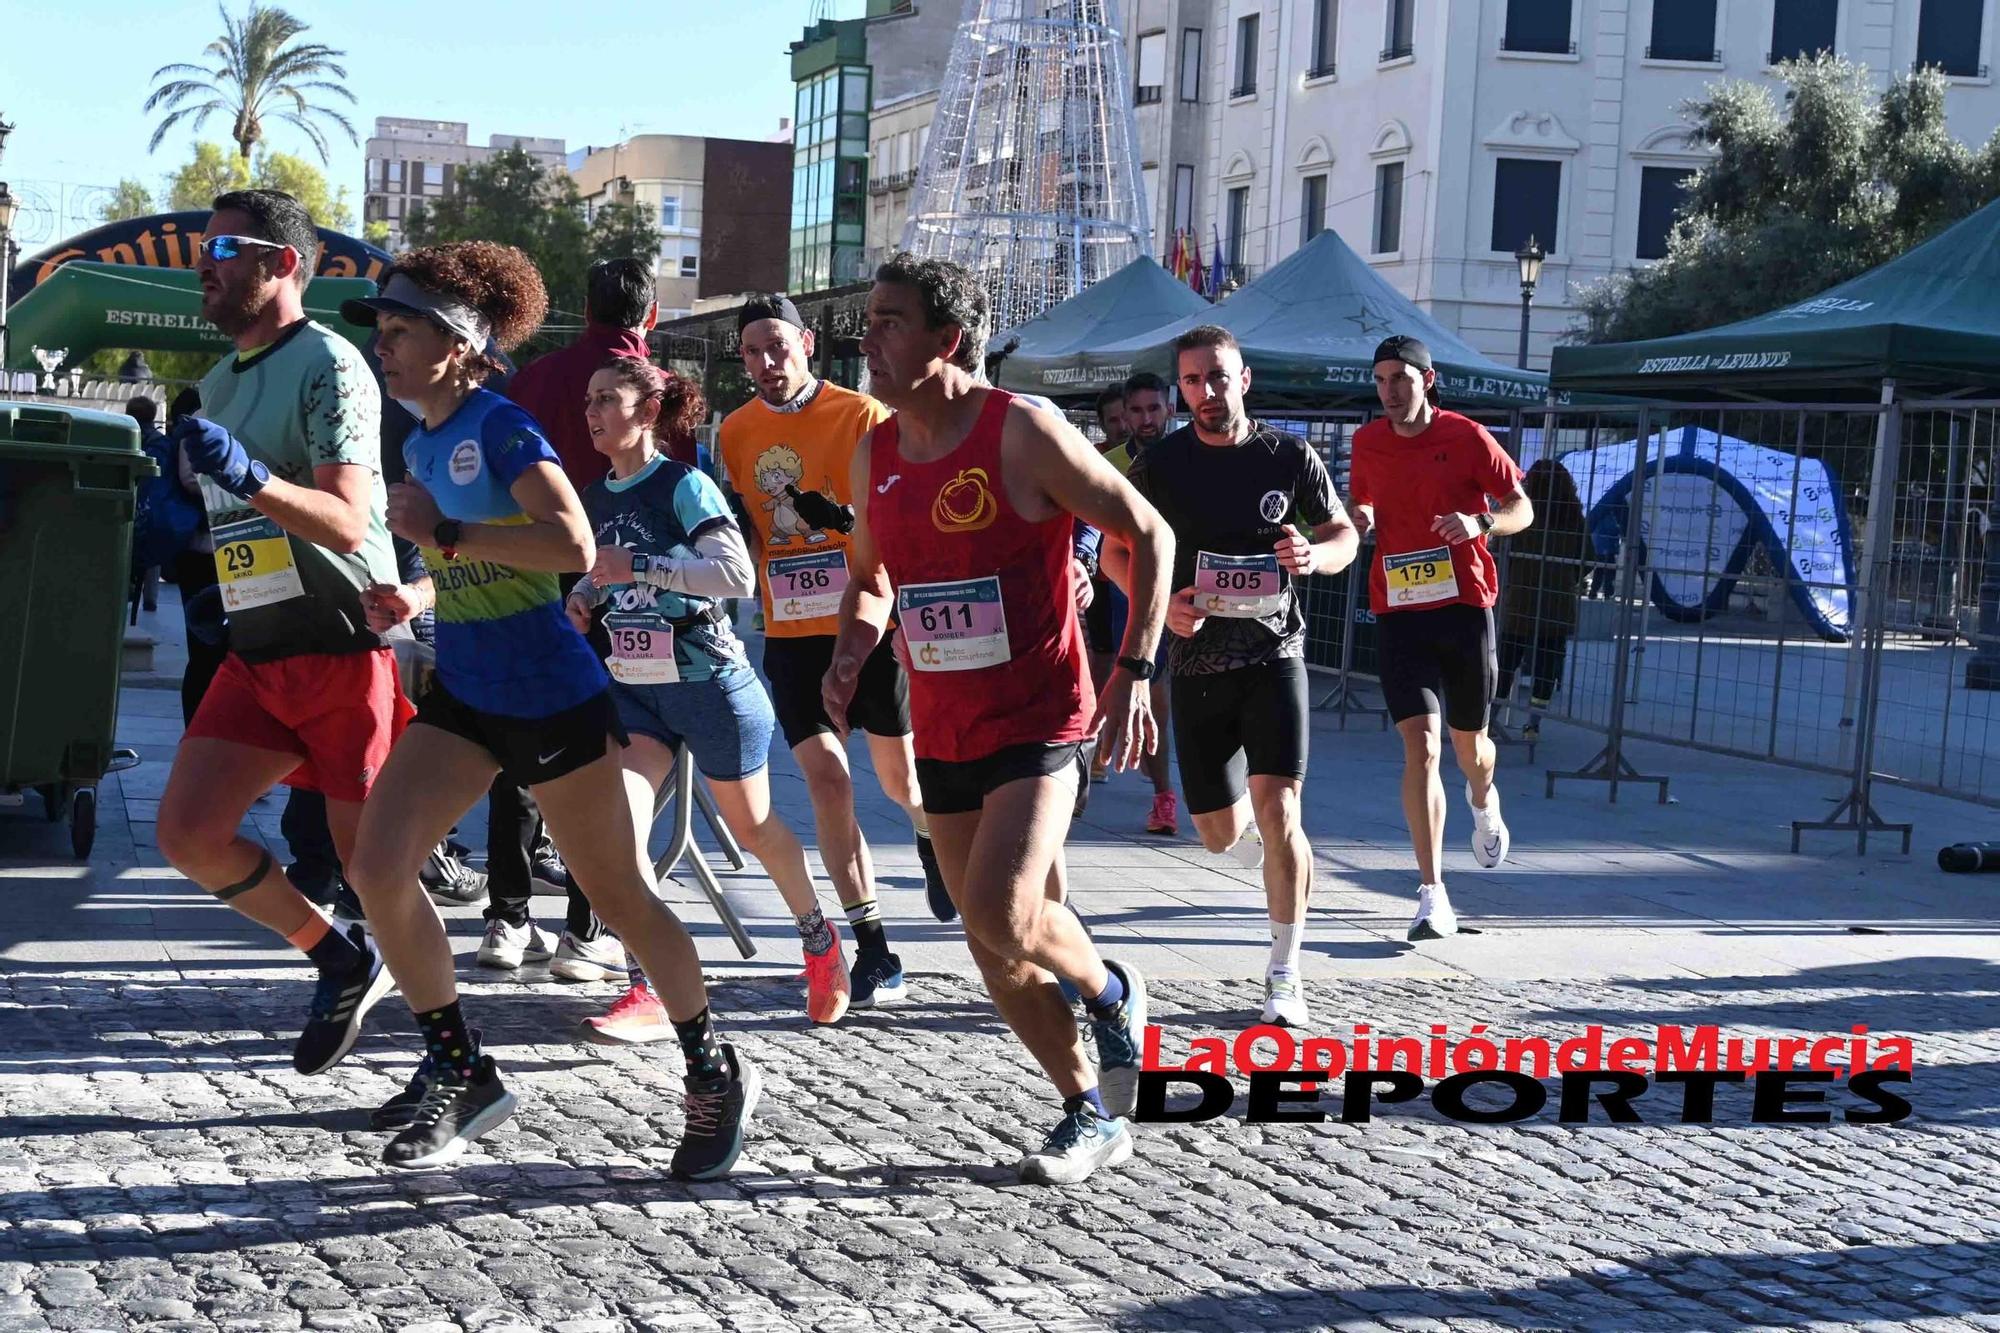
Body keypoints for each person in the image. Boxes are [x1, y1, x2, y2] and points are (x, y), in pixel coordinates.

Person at [338, 241, 757, 1175]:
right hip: (467, 691)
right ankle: (462, 1071)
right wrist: (421, 593)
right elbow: (475, 565)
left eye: (403, 333)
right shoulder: (419, 437)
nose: (386, 349)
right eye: (384, 333)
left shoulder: (503, 427)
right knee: (377, 867)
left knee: (619, 896)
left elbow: (569, 542)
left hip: (550, 695)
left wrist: (442, 530)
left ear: (457, 344)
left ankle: (713, 1071)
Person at [829, 253, 1168, 1185]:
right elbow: (870, 580)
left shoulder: (1022, 431)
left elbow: (1150, 529)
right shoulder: (875, 451)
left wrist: (1135, 667)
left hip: (1041, 715)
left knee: (998, 908)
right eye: (870, 319)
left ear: (948, 339)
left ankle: (1110, 989)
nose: (869, 338)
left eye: (890, 321)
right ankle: (1086, 1109)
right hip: (944, 724)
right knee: (995, 937)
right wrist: (852, 652)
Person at [152, 189, 410, 1084]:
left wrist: (249, 475)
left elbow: (345, 522)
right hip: (258, 648)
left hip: (344, 643)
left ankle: (453, 1061)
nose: (204, 262)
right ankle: (338, 959)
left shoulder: (332, 364)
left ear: (284, 263)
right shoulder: (220, 379)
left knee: (376, 875)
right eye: (201, 245)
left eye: (224, 245)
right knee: (188, 833)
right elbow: (235, 521)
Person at [568, 357, 853, 1038]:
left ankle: (819, 939)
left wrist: (639, 565)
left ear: (647, 410)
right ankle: (653, 987)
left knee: (756, 828)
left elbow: (734, 575)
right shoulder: (594, 492)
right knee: (622, 836)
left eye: (608, 397)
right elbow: (594, 573)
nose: (592, 410)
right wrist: (583, 597)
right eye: (588, 398)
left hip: (709, 685)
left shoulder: (683, 485)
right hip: (635, 693)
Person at [1114, 326, 1357, 1028]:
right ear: (1178, 389)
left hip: (1275, 654)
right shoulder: (1161, 465)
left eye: (1218, 377)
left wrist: (1315, 555)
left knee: (1283, 811)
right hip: (1197, 663)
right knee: (1218, 834)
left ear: (1243, 378)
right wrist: (1164, 611)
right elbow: (1115, 559)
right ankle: (1248, 818)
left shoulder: (1288, 455)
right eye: (1192, 382)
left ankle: (1284, 969)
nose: (1206, 393)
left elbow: (1343, 534)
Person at [717, 293, 937, 1000]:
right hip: (790, 637)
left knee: (900, 780)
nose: (765, 362)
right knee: (828, 782)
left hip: (865, 624)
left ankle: (929, 832)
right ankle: (872, 944)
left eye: (777, 346)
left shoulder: (861, 415)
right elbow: (752, 530)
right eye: (752, 351)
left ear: (807, 343)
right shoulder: (737, 431)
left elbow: (892, 518)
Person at [458, 259, 665, 979]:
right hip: (617, 584)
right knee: (599, 755)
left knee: (516, 748)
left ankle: (507, 918)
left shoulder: (537, 377)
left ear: (584, 303)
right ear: (654, 314)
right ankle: (586, 928)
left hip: (527, 578)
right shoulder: (649, 389)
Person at [1350, 335, 1533, 943]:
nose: (1389, 392)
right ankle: (1433, 893)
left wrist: (1480, 520)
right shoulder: (1368, 441)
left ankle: (1484, 799)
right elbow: (1365, 503)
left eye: (1400, 378)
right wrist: (1359, 520)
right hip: (1399, 606)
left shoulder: (1467, 437)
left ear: (1427, 380)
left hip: (1462, 605)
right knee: (1421, 747)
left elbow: (1521, 508)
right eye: (1380, 381)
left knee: (1468, 747)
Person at [1495, 458, 1589, 743]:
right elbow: (1588, 560)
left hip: (1520, 599)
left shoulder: (1522, 516)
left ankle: (1490, 718)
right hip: (1557, 602)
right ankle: (1533, 725)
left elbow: (1501, 553)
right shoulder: (1573, 519)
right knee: (1548, 663)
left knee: (1507, 660)